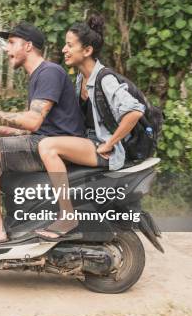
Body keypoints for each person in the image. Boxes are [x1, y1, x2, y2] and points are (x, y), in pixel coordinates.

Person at [0, 22, 84, 246]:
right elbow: (26, 128)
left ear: (28, 46)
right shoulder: (38, 76)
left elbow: (33, 121)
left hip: (56, 147)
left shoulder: (49, 72)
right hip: (44, 140)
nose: (7, 50)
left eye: (11, 43)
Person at [34, 15, 145, 240]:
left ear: (87, 50)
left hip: (104, 148)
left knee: (48, 148)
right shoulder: (80, 80)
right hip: (88, 142)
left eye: (70, 45)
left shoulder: (104, 79)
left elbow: (134, 111)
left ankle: (67, 216)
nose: (64, 49)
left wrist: (110, 143)